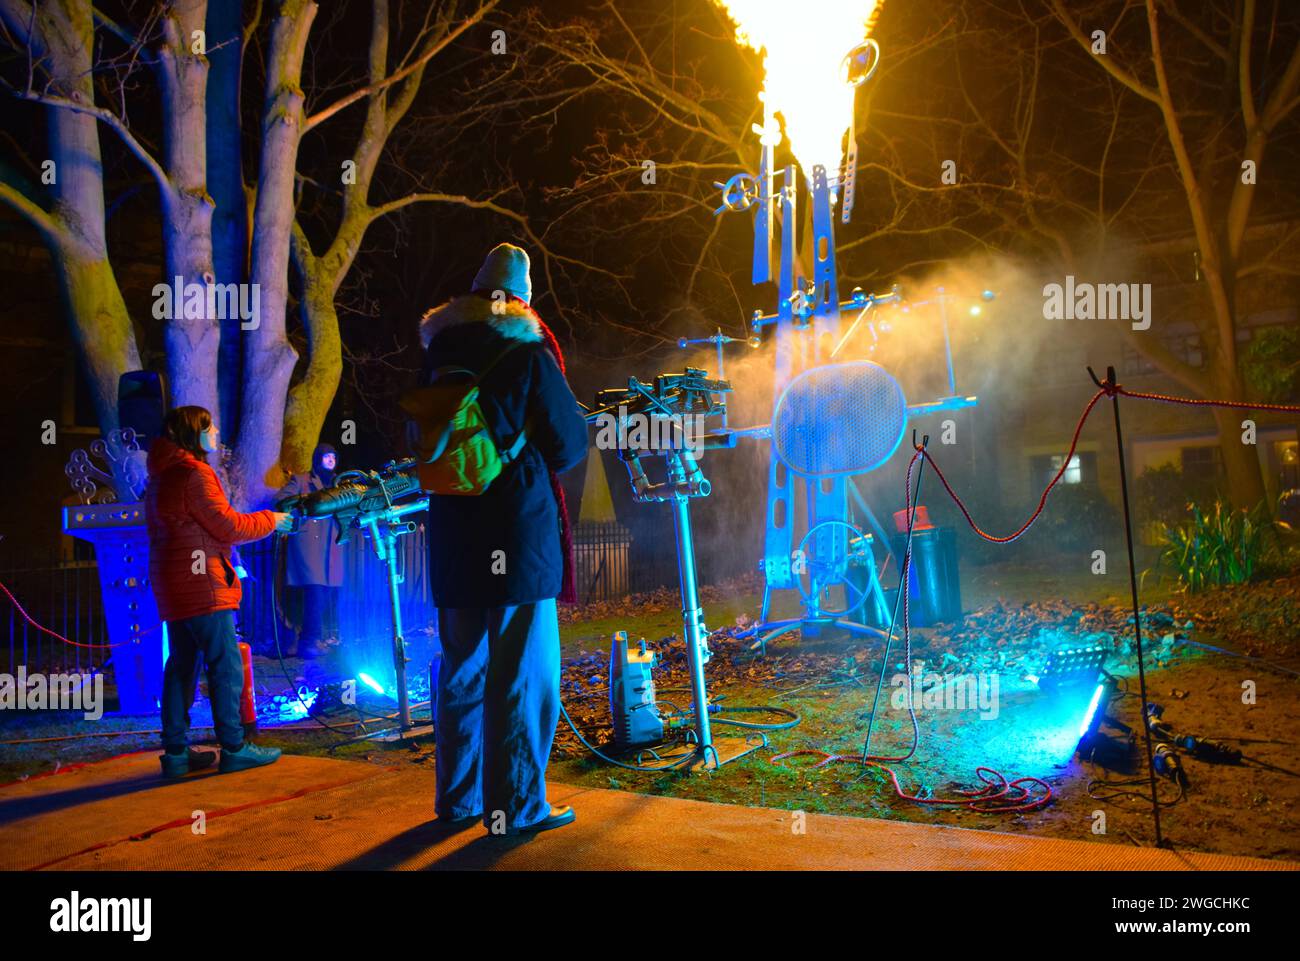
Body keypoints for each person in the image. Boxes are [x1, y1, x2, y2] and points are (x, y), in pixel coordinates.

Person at [419, 243, 588, 834]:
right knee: (521, 672)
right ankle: (514, 806)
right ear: (522, 299)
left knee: (461, 667)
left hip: (451, 532)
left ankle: (458, 801)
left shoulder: (438, 351)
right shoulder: (528, 351)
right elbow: (568, 445)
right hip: (516, 535)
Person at [144, 405, 293, 777]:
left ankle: (176, 753)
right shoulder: (195, 473)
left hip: (173, 584)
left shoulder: (160, 477)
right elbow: (227, 526)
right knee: (224, 664)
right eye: (210, 427)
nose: (216, 434)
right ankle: (234, 746)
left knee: (181, 665)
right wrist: (270, 521)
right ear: (194, 433)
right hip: (203, 584)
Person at [274, 443, 344, 658]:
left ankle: (308, 639)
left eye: (333, 456)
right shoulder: (302, 479)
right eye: (327, 456)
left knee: (326, 592)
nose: (331, 460)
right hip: (309, 544)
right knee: (315, 591)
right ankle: (308, 643)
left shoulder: (338, 482)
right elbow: (281, 500)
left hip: (331, 544)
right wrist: (304, 506)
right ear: (317, 458)